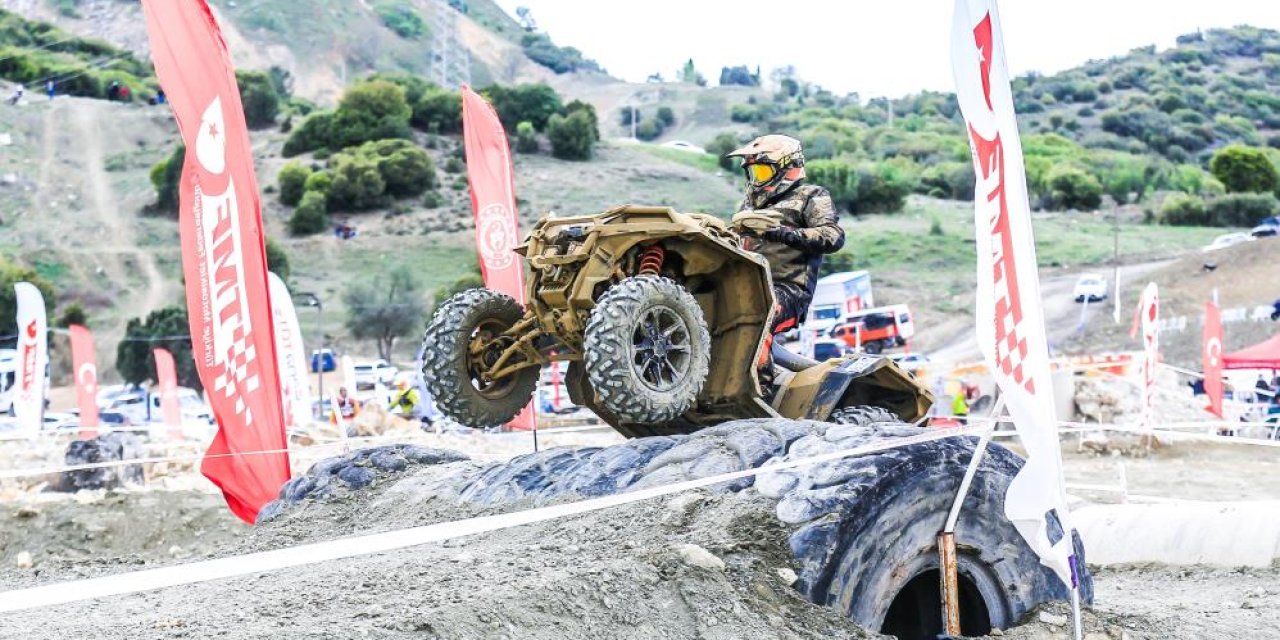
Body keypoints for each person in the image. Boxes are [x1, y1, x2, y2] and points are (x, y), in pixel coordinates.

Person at [726, 135, 845, 336]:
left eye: (762, 172)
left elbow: (833, 236)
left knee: (759, 314)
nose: (756, 180)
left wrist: (780, 233)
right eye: (752, 173)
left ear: (787, 167)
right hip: (745, 284)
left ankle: (761, 368)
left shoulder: (811, 196)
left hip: (788, 290)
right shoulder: (748, 205)